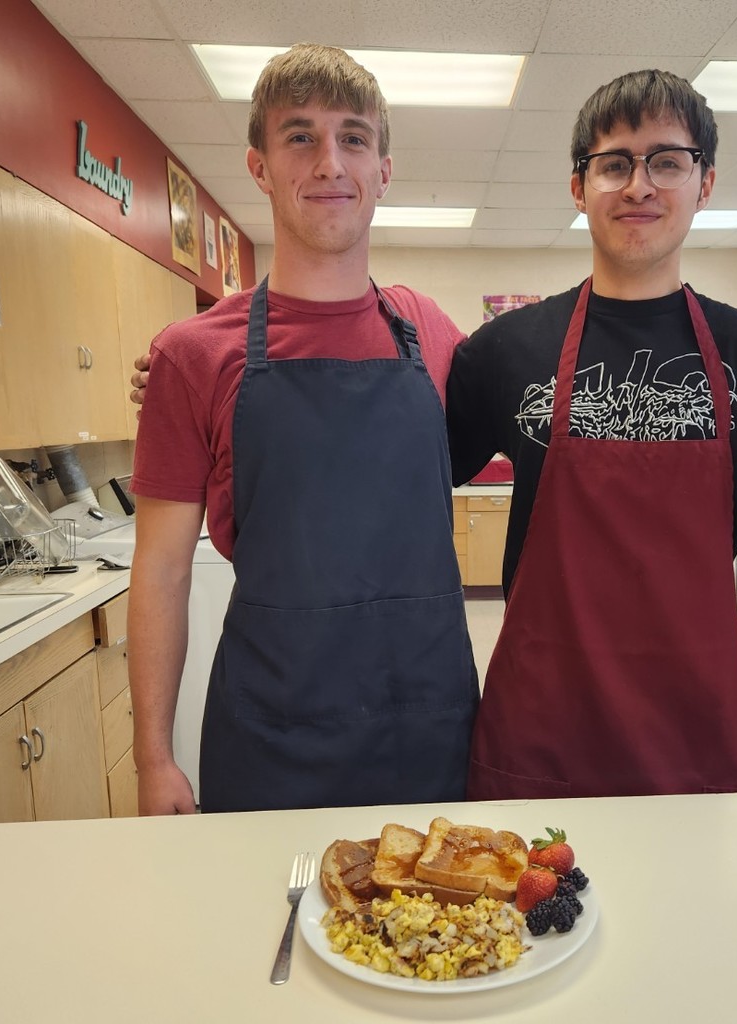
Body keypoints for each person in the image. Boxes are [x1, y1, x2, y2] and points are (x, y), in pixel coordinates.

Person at [447, 69, 737, 799]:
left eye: (666, 161)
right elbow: (398, 480)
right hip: (538, 734)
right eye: (614, 164)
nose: (639, 186)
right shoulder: (504, 351)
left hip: (697, 741)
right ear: (579, 186)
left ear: (704, 182)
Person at [126, 44, 479, 814]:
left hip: (428, 723)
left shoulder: (429, 331)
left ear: (384, 170)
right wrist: (153, 758)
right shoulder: (191, 355)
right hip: (272, 732)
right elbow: (160, 572)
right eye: (300, 136)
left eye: (353, 137)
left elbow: (542, 409)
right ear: (259, 166)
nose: (329, 163)